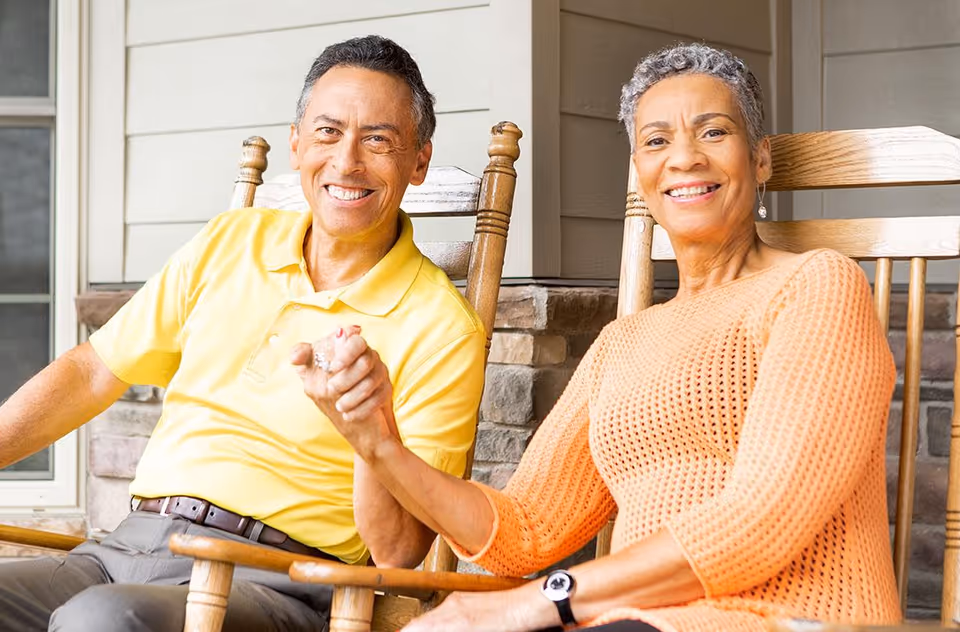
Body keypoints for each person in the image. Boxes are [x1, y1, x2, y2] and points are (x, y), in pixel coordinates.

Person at [318, 43, 900, 632]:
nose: (684, 158)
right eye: (655, 141)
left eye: (714, 132)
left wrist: (529, 604)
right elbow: (525, 531)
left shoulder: (817, 287)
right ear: (639, 173)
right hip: (641, 622)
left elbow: (763, 520)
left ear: (760, 159)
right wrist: (380, 443)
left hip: (791, 616)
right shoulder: (623, 343)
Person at [0, 35, 487, 632]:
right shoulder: (232, 241)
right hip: (120, 551)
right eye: (328, 132)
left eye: (378, 139)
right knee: (97, 610)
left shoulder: (442, 329)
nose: (347, 161)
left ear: (418, 161)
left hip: (275, 580)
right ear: (296, 143)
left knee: (100, 621)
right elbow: (93, 370)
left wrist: (368, 427)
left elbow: (397, 553)